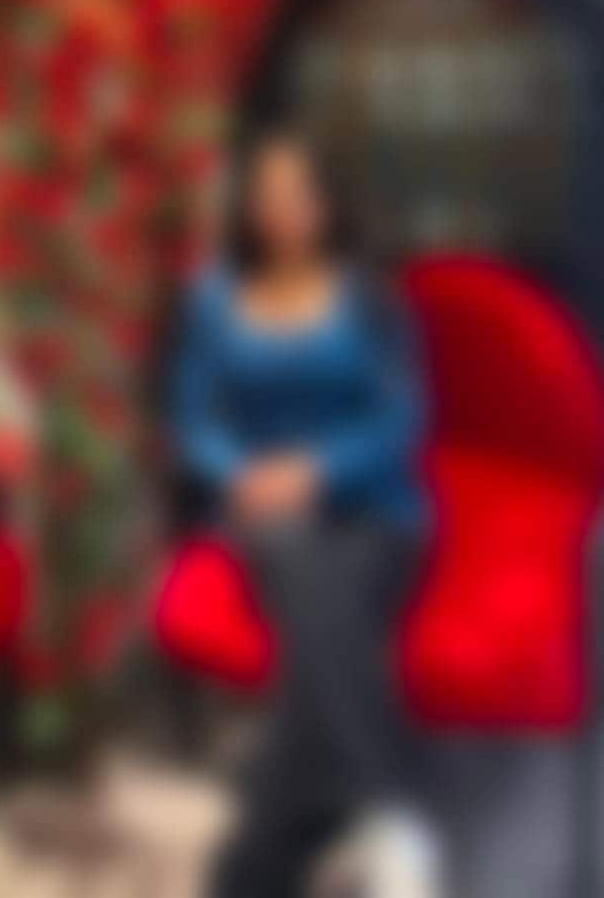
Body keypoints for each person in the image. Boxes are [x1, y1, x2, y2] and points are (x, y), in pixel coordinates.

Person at [169, 129, 443, 898]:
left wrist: (317, 469)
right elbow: (193, 419)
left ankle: (253, 868)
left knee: (320, 607)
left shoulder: (369, 295)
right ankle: (393, 814)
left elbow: (401, 419)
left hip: (373, 505)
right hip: (266, 508)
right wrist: (240, 471)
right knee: (296, 554)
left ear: (325, 203)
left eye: (297, 193)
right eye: (265, 193)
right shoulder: (214, 297)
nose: (280, 209)